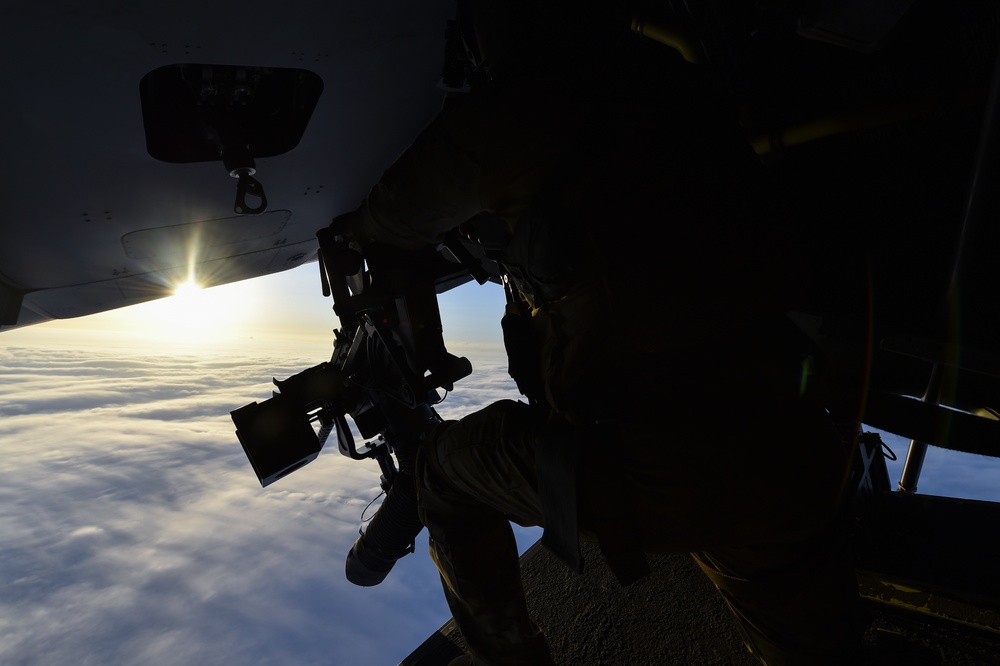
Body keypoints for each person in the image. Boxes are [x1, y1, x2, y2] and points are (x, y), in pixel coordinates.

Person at [333, 2, 861, 663]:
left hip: (654, 465)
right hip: (786, 433)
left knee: (439, 473)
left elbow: (389, 220)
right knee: (801, 627)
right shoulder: (679, 81)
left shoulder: (510, 111)